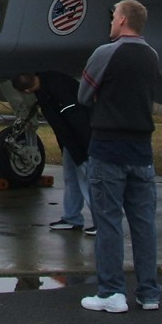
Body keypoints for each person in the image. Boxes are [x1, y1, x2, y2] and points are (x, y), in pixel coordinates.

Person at [77, 0, 161, 313]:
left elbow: (83, 95)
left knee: (109, 223)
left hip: (108, 149)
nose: (111, 22)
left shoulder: (105, 53)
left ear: (123, 19)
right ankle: (149, 292)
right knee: (144, 224)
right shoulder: (152, 55)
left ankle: (112, 292)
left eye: (113, 16)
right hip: (142, 151)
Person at [11, 71, 94, 235]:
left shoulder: (57, 89)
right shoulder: (43, 87)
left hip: (82, 141)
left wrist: (84, 148)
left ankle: (102, 222)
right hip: (70, 142)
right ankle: (72, 218)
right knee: (71, 178)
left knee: (88, 179)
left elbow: (77, 120)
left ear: (26, 91)